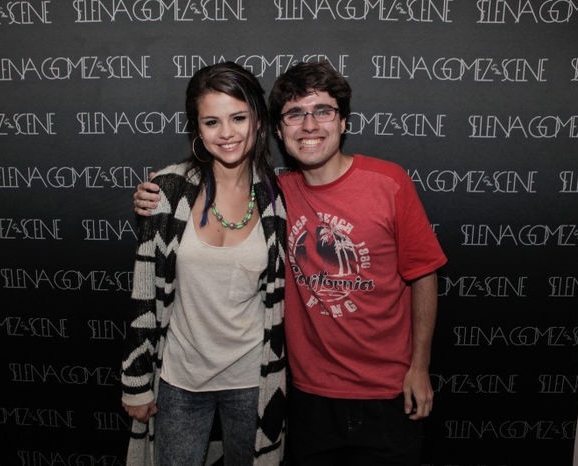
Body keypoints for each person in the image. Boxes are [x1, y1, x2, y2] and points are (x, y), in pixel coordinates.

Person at [135, 61, 447, 466]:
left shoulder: (388, 182)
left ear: (344, 121)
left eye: (322, 111)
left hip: (386, 391)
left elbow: (424, 275)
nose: (310, 125)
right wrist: (153, 197)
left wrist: (420, 367)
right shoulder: (275, 195)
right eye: (295, 114)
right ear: (279, 130)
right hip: (305, 393)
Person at [121, 62, 287, 466]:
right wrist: (136, 383)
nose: (226, 133)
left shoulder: (278, 196)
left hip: (253, 378)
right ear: (197, 128)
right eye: (212, 121)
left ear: (259, 120)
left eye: (238, 118)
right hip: (181, 377)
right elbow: (143, 292)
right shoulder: (168, 189)